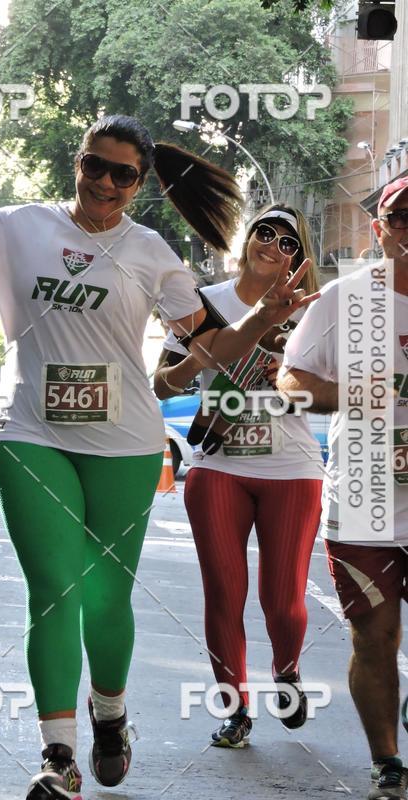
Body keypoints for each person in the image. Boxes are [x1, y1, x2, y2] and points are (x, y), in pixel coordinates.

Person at [0, 83, 317, 800]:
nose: (104, 182)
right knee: (54, 594)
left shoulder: (150, 252)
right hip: (30, 435)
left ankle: (111, 715)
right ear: (77, 163)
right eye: (93, 165)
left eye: (122, 174)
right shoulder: (18, 226)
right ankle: (59, 756)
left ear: (139, 185)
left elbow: (213, 347)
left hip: (126, 444)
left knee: (105, 599)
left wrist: (266, 317)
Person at [154, 205, 324, 747]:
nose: (273, 245)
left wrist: (291, 381)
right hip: (217, 464)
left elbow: (332, 392)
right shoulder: (206, 302)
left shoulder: (314, 311)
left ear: (299, 260)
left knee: (283, 600)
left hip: (292, 468)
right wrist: (195, 365)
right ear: (248, 239)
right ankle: (235, 709)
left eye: (288, 242)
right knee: (224, 593)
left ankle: (287, 671)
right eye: (265, 232)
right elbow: (162, 383)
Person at [278, 177, 408, 800]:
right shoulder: (344, 300)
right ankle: (387, 763)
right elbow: (290, 382)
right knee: (374, 636)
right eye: (401, 217)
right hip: (363, 502)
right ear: (380, 230)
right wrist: (358, 396)